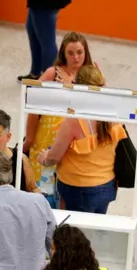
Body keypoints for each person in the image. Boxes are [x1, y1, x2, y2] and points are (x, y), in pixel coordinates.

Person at [38, 66, 126, 214]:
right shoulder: (115, 115)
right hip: (107, 186)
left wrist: (45, 158)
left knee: (76, 235)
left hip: (78, 188)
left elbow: (54, 157)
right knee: (94, 231)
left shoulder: (75, 121)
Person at [23, 32, 96, 208]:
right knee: (41, 195)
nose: (76, 57)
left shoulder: (93, 74)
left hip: (77, 142)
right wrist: (29, 138)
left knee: (67, 193)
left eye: (79, 52)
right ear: (63, 53)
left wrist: (72, 86)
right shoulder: (52, 73)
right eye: (70, 53)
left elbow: (101, 105)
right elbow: (32, 103)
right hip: (45, 140)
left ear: (86, 52)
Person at [17, 0, 79, 81]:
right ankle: (35, 73)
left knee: (47, 41)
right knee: (33, 31)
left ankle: (51, 80)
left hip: (45, 0)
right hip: (41, 0)